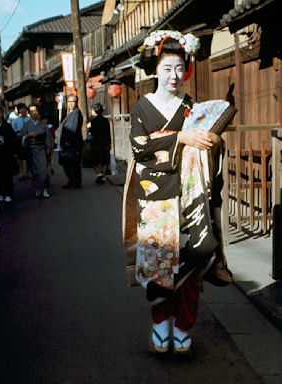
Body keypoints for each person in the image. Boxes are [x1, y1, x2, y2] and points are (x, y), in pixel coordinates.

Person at [122, 31, 227, 354]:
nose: (174, 75)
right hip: (155, 195)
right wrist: (180, 139)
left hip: (190, 190)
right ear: (155, 69)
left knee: (193, 259)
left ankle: (184, 323)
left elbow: (208, 139)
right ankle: (160, 321)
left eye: (180, 68)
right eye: (167, 68)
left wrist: (215, 142)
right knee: (159, 259)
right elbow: (140, 147)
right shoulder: (142, 107)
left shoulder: (190, 107)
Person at [0, 106, 18, 202]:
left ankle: (8, 193)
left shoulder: (7, 126)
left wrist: (14, 152)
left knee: (7, 175)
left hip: (6, 155)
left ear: (2, 114)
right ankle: (0, 193)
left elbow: (13, 140)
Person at [20, 104, 51, 198]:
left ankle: (44, 189)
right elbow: (22, 136)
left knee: (43, 170)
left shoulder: (43, 125)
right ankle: (37, 189)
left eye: (35, 111)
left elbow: (48, 138)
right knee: (34, 171)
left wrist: (49, 150)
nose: (34, 113)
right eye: (31, 111)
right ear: (29, 113)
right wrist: (28, 136)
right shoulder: (26, 125)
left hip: (41, 149)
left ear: (38, 112)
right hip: (31, 150)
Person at [60, 94, 83, 189]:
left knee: (71, 164)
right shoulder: (69, 112)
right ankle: (73, 182)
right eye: (69, 102)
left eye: (73, 102)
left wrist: (68, 140)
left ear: (76, 103)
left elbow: (72, 128)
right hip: (70, 143)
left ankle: (74, 182)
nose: (71, 104)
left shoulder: (76, 113)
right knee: (70, 163)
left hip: (72, 143)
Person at [87, 103, 111, 184]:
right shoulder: (105, 120)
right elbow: (108, 132)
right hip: (105, 143)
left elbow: (91, 133)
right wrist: (109, 143)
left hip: (96, 143)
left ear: (94, 111)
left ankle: (99, 174)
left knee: (95, 161)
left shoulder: (93, 122)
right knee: (104, 161)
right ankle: (103, 177)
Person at [11, 103, 30, 179]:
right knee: (20, 157)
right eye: (20, 109)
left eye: (23, 108)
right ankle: (21, 172)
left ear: (26, 109)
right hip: (19, 139)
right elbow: (13, 130)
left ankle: (28, 172)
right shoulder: (15, 120)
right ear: (18, 110)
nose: (22, 110)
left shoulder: (30, 119)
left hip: (28, 138)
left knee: (28, 156)